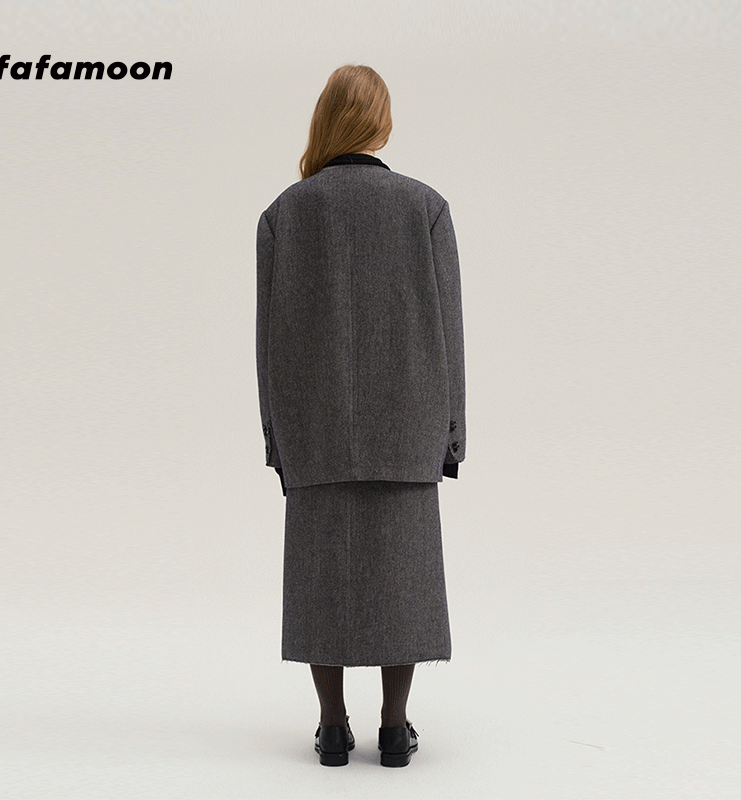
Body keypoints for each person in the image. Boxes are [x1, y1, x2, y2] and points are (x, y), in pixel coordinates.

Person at [255, 64, 466, 767]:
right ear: (382, 122)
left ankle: (331, 728)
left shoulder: (284, 214)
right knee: (404, 582)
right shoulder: (425, 207)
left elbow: (267, 343)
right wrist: (451, 434)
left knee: (321, 581)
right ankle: (396, 729)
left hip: (313, 429)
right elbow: (449, 329)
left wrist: (277, 440)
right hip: (409, 423)